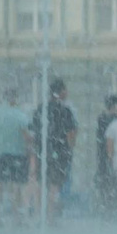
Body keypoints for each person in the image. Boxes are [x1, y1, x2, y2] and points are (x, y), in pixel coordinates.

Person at [33, 75, 77, 222]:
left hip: (43, 151)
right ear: (61, 92)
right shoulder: (65, 111)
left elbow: (34, 130)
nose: (67, 93)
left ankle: (40, 215)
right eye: (65, 90)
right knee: (54, 185)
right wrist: (70, 148)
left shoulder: (41, 109)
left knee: (42, 183)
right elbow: (71, 134)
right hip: (60, 152)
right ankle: (51, 216)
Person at [0, 88, 32, 224]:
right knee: (16, 187)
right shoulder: (20, 115)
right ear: (15, 99)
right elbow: (26, 136)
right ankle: (17, 217)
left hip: (0, 154)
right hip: (18, 154)